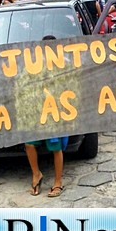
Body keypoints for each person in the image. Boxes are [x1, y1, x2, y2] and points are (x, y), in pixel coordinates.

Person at [25, 36, 67, 198]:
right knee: (29, 143)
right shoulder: (33, 66)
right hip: (36, 112)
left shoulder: (63, 66)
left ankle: (58, 182)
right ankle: (36, 174)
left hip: (54, 113)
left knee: (56, 147)